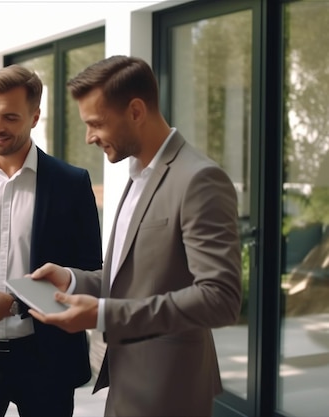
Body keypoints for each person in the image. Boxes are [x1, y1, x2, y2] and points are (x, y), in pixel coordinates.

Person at [28, 55, 242, 417]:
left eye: (96, 124)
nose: (89, 137)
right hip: (128, 384)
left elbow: (220, 298)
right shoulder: (137, 174)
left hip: (170, 392)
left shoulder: (199, 180)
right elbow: (134, 278)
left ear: (136, 111)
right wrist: (73, 279)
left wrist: (103, 314)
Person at [0, 64, 103, 417]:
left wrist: (15, 304)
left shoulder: (71, 183)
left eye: (10, 117)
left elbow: (89, 271)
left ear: (35, 116)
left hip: (47, 359)